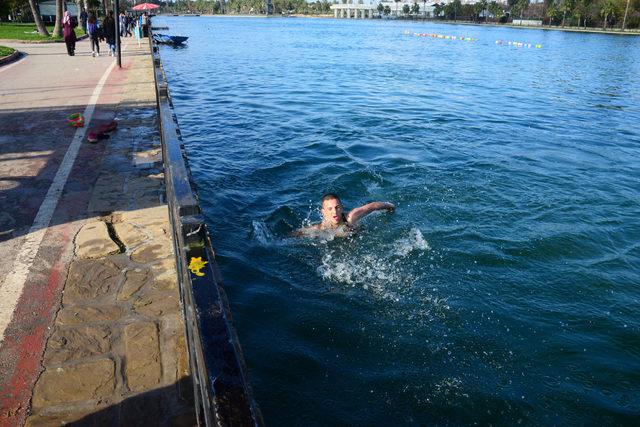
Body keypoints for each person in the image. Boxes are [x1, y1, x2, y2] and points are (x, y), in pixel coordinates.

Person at [293, 193, 395, 237]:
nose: (334, 212)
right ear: (323, 212)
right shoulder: (320, 228)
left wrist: (389, 206)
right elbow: (299, 233)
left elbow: (373, 206)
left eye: (337, 207)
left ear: (342, 208)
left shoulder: (350, 217)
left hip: (359, 233)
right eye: (330, 209)